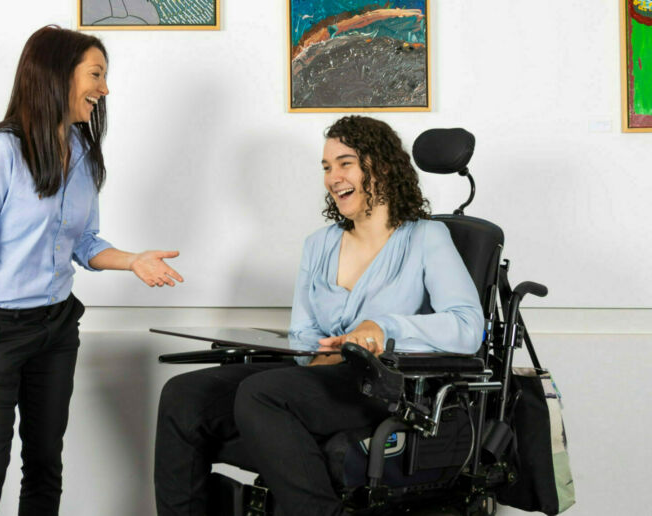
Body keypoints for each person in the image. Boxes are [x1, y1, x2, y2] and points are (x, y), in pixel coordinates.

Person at [154, 116, 483, 516]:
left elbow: (468, 329)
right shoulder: (319, 244)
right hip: (317, 373)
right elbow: (303, 332)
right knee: (183, 394)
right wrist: (312, 352)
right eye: (327, 167)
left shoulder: (425, 237)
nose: (333, 177)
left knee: (262, 394)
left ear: (378, 165)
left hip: (378, 384)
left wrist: (383, 328)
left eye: (345, 163)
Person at [0, 26, 183, 516]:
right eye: (96, 74)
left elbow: (85, 243)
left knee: (45, 465)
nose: (105, 89)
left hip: (54, 330)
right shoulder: (0, 152)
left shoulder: (81, 152)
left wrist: (132, 260)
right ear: (56, 76)